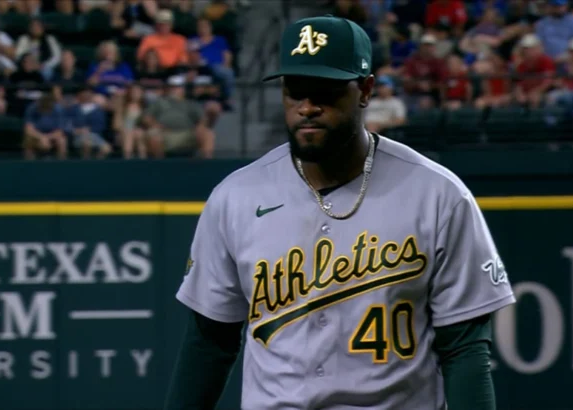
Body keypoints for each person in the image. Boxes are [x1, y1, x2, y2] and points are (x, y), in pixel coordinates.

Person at [166, 15, 515, 410]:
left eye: (325, 91)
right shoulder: (235, 198)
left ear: (365, 90)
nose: (307, 107)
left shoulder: (437, 195)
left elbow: (464, 351)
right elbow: (209, 343)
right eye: (295, 91)